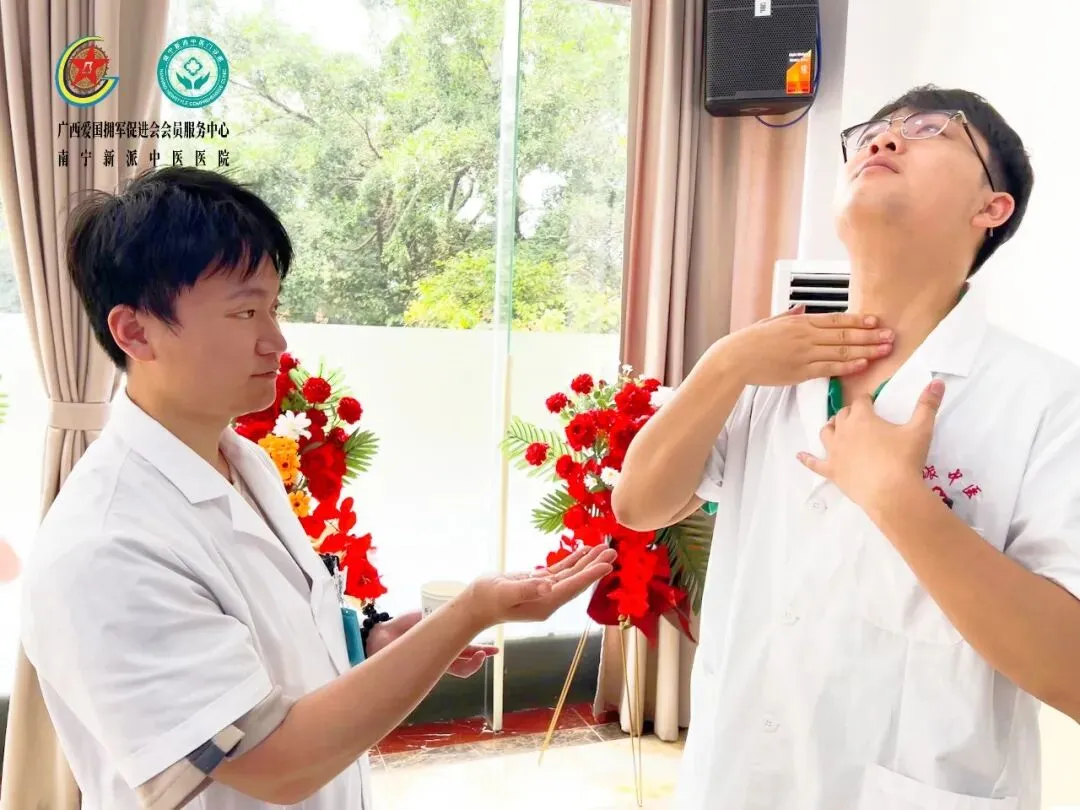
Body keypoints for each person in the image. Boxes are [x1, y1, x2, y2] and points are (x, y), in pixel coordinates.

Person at [19, 166, 616, 810]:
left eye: (273, 308)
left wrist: (377, 647)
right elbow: (272, 765)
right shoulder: (106, 545)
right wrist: (468, 614)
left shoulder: (243, 462)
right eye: (245, 311)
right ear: (136, 332)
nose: (276, 340)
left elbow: (277, 649)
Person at [614, 85, 1080, 809]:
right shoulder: (767, 364)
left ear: (992, 208)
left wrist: (898, 501)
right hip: (733, 781)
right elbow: (640, 506)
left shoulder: (1049, 398)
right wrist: (724, 365)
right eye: (873, 131)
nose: (883, 140)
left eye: (932, 130)